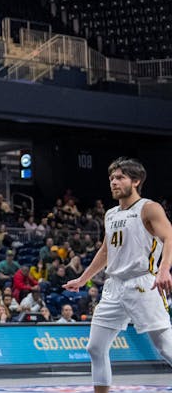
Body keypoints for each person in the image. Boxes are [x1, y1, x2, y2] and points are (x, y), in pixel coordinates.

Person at [64, 157, 172, 393]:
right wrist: (83, 278)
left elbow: (169, 235)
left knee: (166, 347)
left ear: (136, 181)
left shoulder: (149, 207)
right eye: (112, 178)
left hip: (144, 283)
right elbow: (105, 251)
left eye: (120, 177)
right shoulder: (111, 214)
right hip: (114, 286)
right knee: (95, 347)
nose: (113, 182)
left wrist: (164, 269)